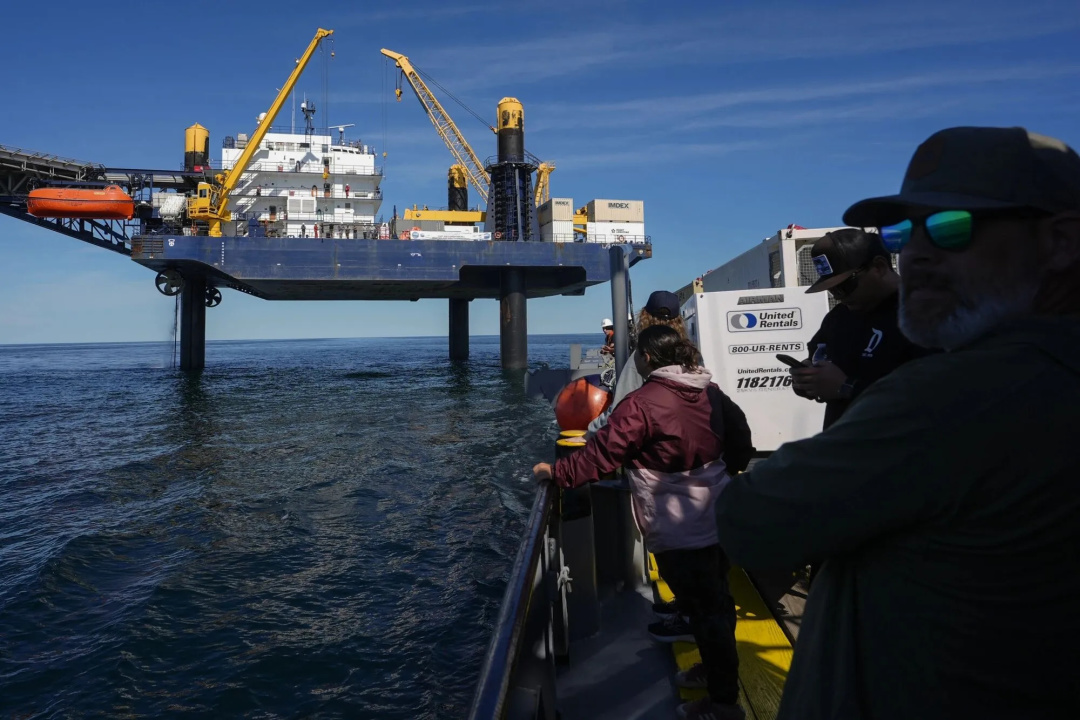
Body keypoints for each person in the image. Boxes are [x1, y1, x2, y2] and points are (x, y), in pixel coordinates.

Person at [714, 126, 1080, 719]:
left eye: (953, 227)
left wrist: (854, 393)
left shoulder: (962, 391)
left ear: (1062, 241)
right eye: (904, 232)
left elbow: (750, 519)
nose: (918, 252)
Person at [535, 325, 751, 720]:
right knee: (714, 603)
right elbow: (741, 440)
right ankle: (714, 671)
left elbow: (601, 454)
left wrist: (557, 472)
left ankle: (723, 705)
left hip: (677, 525)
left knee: (707, 610)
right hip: (718, 516)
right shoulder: (709, 390)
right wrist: (720, 476)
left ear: (647, 358)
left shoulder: (642, 403)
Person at [791, 228, 932, 430]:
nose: (838, 295)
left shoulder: (925, 314)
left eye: (844, 286)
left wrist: (847, 387)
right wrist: (807, 381)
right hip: (843, 450)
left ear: (879, 267)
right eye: (831, 289)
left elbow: (937, 396)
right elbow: (819, 362)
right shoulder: (838, 317)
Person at [587, 290, 686, 435]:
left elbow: (620, 408)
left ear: (644, 316)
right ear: (679, 321)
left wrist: (589, 433)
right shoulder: (691, 354)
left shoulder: (641, 357)